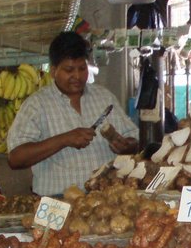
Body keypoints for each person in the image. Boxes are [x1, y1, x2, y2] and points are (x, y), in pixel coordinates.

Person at [8, 31, 139, 196]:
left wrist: (126, 145)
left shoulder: (105, 98)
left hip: (106, 199)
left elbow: (135, 141)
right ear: (53, 70)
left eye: (82, 68)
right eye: (69, 70)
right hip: (57, 202)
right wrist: (64, 139)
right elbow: (15, 159)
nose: (77, 76)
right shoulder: (37, 105)